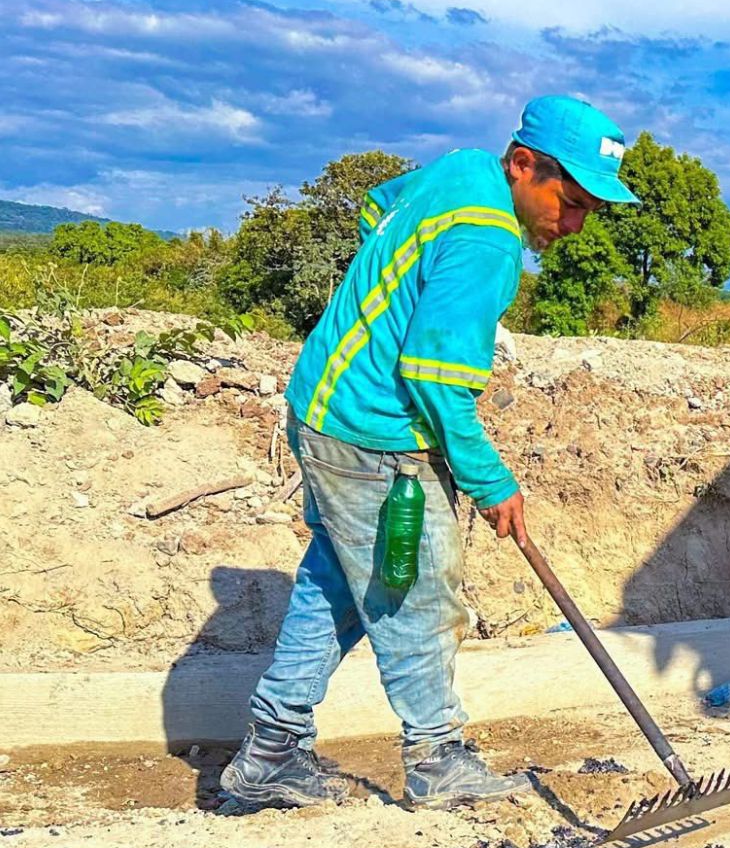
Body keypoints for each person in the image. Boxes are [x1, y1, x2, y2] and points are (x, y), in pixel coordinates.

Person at [221, 96, 640, 809]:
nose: (571, 224)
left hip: (325, 404)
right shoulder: (488, 239)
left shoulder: (459, 171)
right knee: (416, 597)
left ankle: (269, 752)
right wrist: (490, 480)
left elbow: (376, 206)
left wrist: (384, 300)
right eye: (567, 201)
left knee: (339, 585)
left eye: (587, 212)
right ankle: (438, 760)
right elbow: (434, 378)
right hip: (372, 434)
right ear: (524, 164)